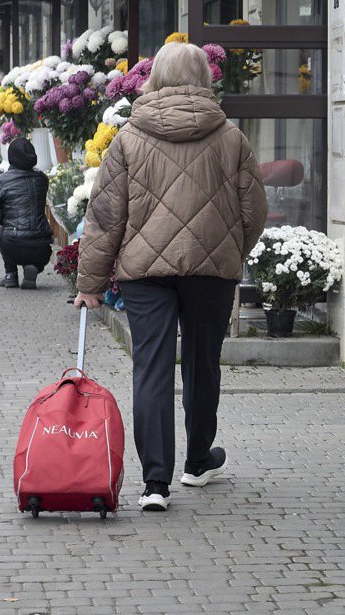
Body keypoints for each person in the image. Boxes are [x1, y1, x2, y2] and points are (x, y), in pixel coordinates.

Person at [74, 42, 268, 512]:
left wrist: (90, 285)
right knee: (203, 365)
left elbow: (104, 217)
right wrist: (229, 253)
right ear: (206, 78)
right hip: (211, 272)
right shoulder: (231, 138)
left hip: (145, 273)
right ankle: (198, 461)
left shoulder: (129, 138)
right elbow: (254, 211)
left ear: (154, 79)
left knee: (152, 369)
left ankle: (155, 483)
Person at [0, 138, 53, 289]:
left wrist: (5, 221)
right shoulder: (42, 179)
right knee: (33, 245)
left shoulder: (3, 180)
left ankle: (11, 275)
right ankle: (34, 266)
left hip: (13, 245)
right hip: (41, 247)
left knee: (2, 232)